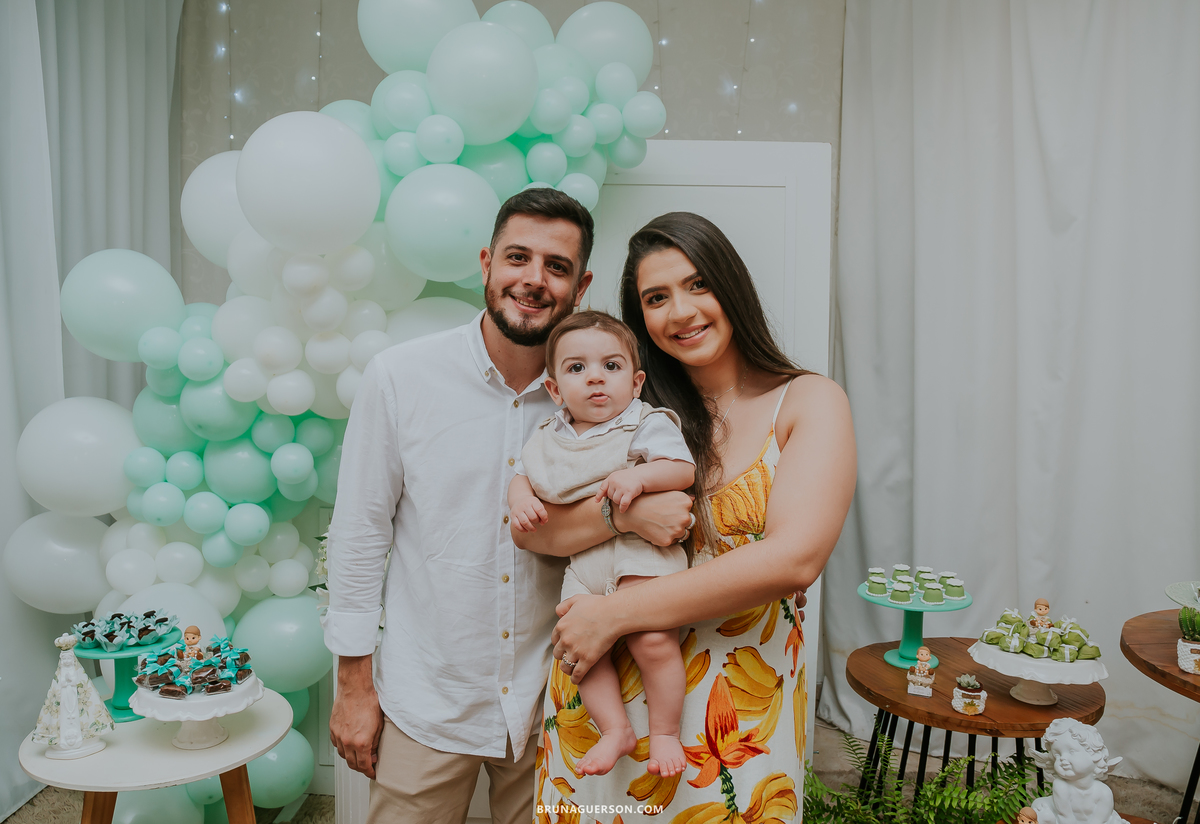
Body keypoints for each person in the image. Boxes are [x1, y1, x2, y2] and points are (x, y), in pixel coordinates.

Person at [322, 189, 693, 824]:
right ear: (487, 262)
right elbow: (359, 536)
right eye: (518, 257)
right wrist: (354, 688)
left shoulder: (606, 389)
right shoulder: (400, 377)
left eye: (557, 266)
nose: (533, 279)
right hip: (432, 697)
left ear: (582, 286)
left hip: (561, 695)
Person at [516, 212, 855, 819]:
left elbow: (794, 558)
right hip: (601, 714)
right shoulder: (632, 411)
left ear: (733, 286)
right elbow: (543, 533)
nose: (681, 311)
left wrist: (613, 614)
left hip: (734, 722)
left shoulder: (807, 400)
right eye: (656, 298)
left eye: (698, 284)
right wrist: (626, 519)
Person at [508, 310, 695, 778]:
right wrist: (519, 498)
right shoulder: (550, 435)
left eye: (611, 367)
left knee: (651, 640)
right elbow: (522, 474)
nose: (595, 378)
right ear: (554, 390)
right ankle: (615, 729)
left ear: (635, 383)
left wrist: (640, 475)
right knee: (576, 650)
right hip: (583, 564)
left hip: (640, 552)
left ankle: (665, 732)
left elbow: (681, 470)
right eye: (576, 368)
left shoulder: (643, 422)